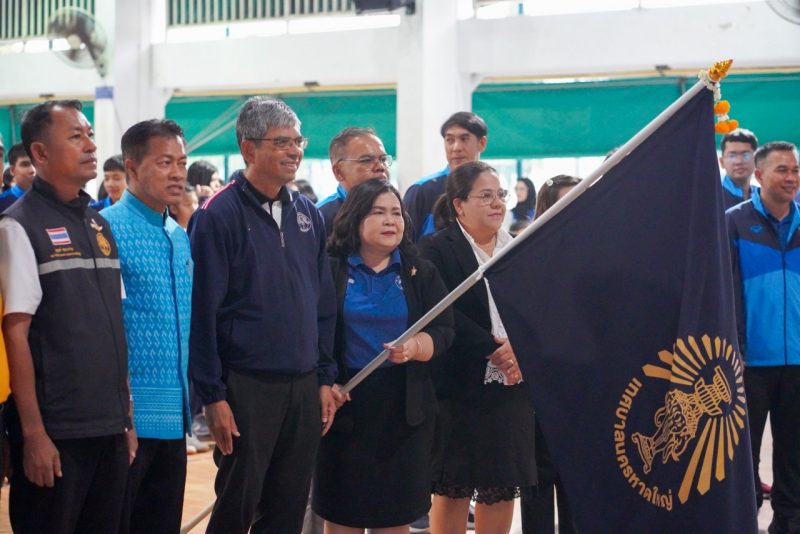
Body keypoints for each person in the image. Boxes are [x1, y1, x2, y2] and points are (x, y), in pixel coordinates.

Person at [188, 96, 339, 534]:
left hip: (303, 384)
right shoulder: (216, 215)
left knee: (288, 509)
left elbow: (322, 305)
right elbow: (202, 314)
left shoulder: (308, 214)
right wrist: (212, 396)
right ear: (248, 148)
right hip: (246, 386)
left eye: (298, 141)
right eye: (281, 142)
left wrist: (324, 376)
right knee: (237, 505)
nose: (294, 151)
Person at [0, 99, 134, 533]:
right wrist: (33, 434)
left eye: (90, 134)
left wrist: (126, 417)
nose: (91, 145)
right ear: (40, 153)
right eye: (76, 136)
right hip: (57, 431)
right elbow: (15, 334)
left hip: (109, 425)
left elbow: (114, 325)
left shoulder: (99, 226)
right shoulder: (18, 226)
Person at [313, 178, 454, 533]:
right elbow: (310, 334)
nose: (390, 220)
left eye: (396, 212)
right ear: (355, 218)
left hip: (404, 411)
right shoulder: (329, 269)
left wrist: (416, 346)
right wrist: (324, 382)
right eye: (378, 212)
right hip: (345, 406)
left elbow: (445, 330)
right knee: (342, 512)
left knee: (394, 515)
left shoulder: (419, 271)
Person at [420, 161, 537, 534]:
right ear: (459, 204)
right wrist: (492, 348)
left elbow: (536, 307)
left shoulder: (518, 246)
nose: (497, 203)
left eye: (500, 194)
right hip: (458, 384)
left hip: (512, 382)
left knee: (501, 485)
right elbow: (441, 310)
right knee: (453, 485)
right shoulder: (436, 248)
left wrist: (518, 348)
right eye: (485, 196)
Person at [102, 119, 193, 534]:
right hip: (129, 418)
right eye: (164, 162)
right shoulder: (105, 230)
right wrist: (122, 411)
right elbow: (105, 329)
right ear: (132, 168)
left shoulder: (178, 234)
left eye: (181, 162)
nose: (177, 173)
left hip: (175, 417)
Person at [726, 141, 800, 534]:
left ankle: (789, 524)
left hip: (797, 363)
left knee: (794, 459)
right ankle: (743, 523)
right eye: (782, 170)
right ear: (759, 175)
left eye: (795, 170)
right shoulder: (733, 223)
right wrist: (733, 349)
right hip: (748, 364)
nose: (791, 177)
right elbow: (723, 294)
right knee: (742, 458)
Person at [520, 175, 582, 534]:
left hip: (585, 386)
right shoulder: (526, 255)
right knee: (538, 481)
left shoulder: (598, 253)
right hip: (539, 386)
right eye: (566, 201)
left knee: (580, 484)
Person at [404, 112, 488, 242]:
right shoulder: (422, 190)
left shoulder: (490, 192)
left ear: (481, 143)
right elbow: (404, 244)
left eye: (464, 139)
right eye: (450, 140)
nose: (456, 148)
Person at [316, 127, 392, 236]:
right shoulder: (318, 218)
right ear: (339, 172)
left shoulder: (398, 216)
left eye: (383, 159)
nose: (380, 167)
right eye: (366, 160)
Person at [719, 128, 758, 210]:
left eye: (746, 155)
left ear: (756, 160)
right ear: (722, 162)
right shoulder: (712, 196)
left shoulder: (763, 197)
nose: (739, 161)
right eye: (732, 156)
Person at [0, 143, 36, 212]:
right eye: (25, 165)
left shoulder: (51, 199)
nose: (32, 170)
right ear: (12, 170)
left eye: (35, 163)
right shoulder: (2, 203)